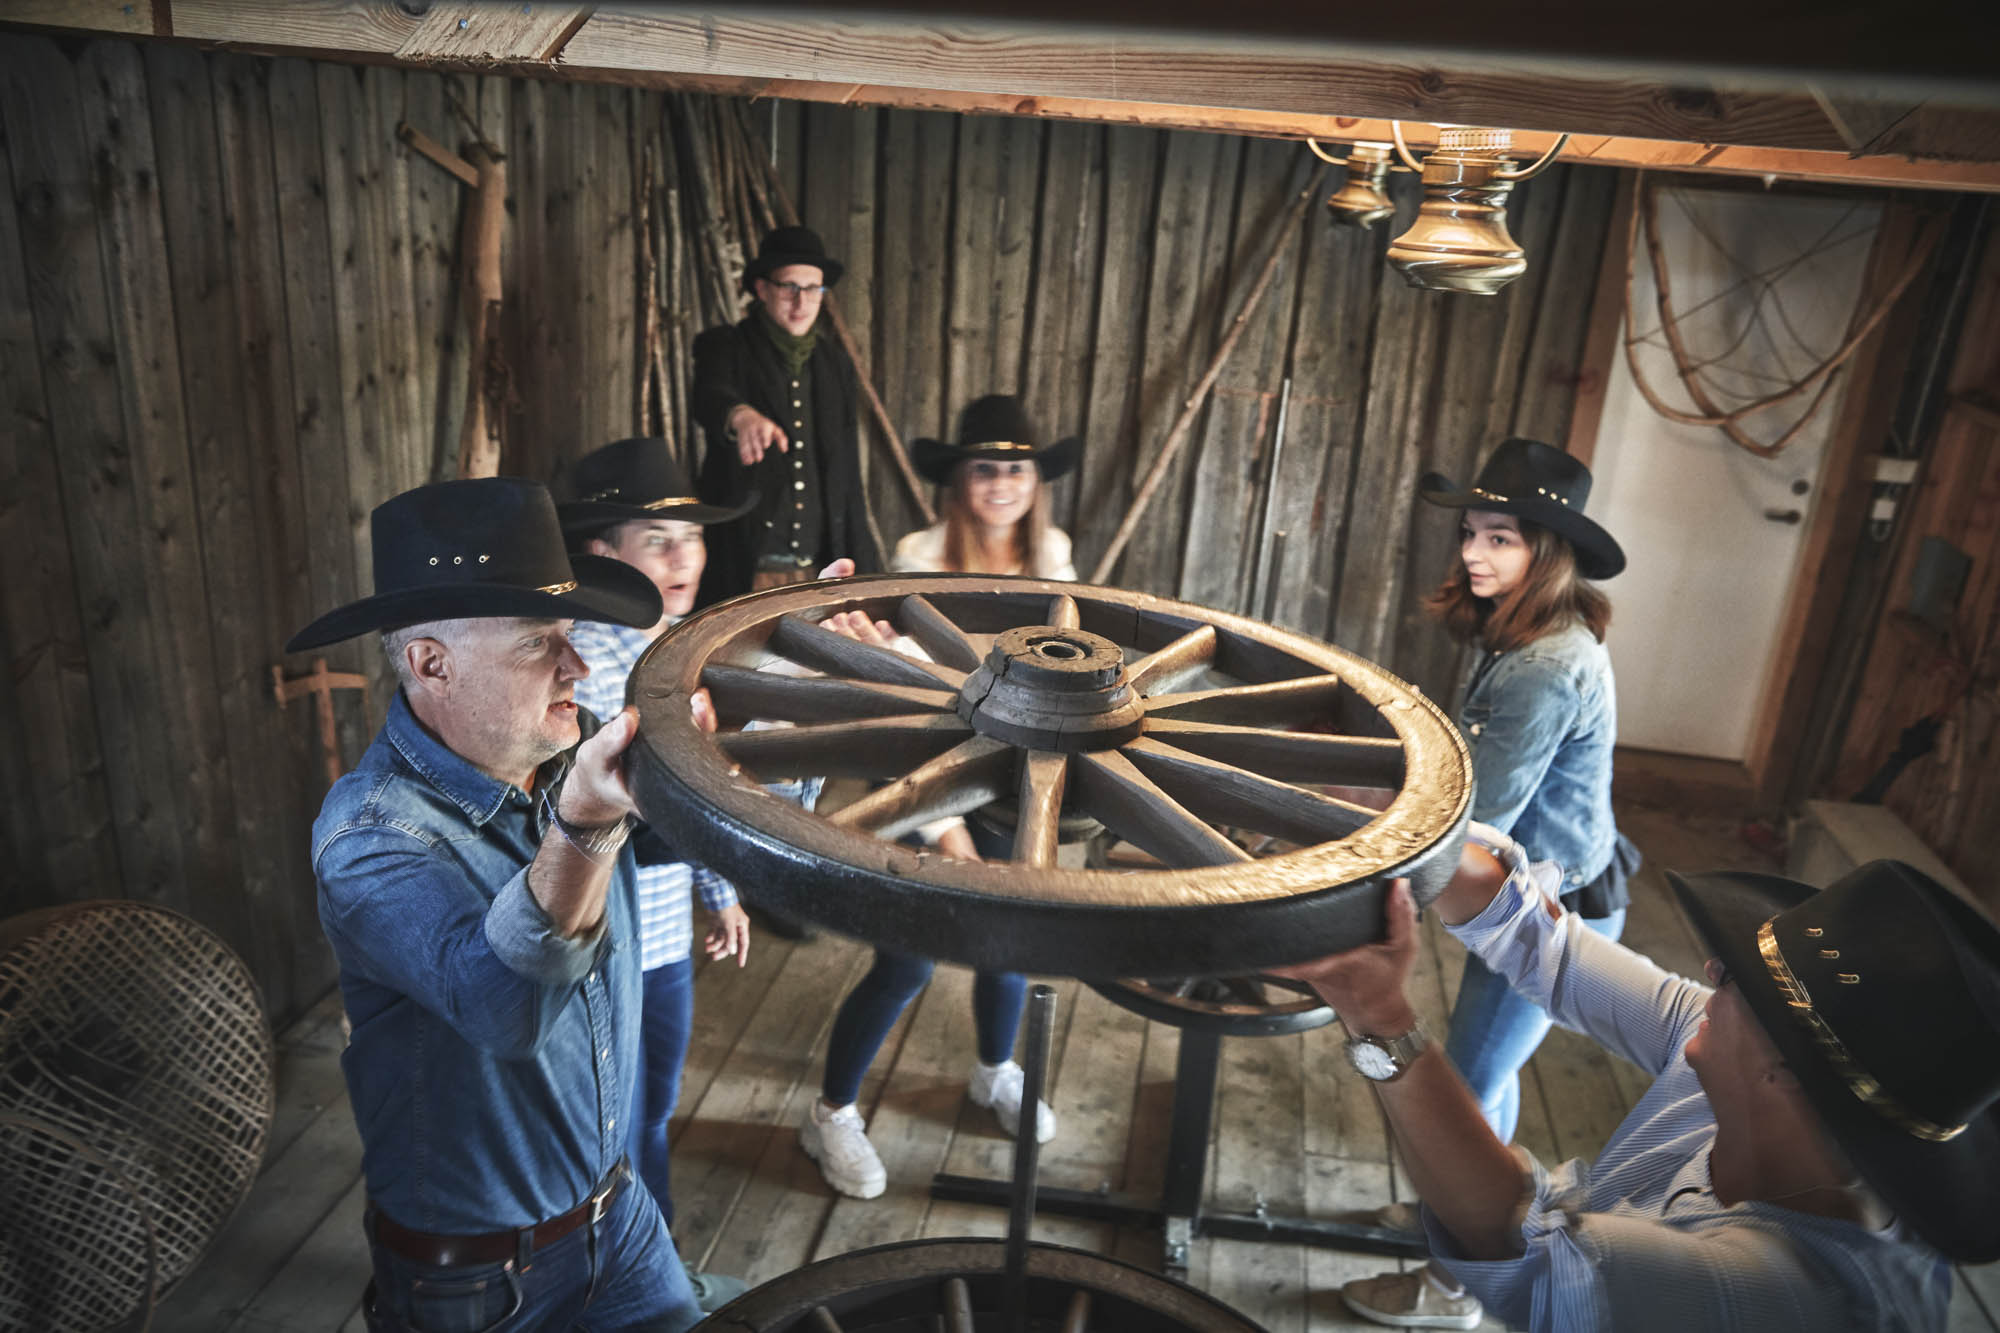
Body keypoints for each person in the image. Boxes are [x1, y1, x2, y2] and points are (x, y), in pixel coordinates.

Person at [1274, 830, 1991, 1332]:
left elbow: (1512, 1234)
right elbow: (1545, 944)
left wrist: (1378, 1014)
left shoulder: (1789, 1295)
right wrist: (1401, 842)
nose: (1710, 971)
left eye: (1746, 982)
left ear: (1786, 1069)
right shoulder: (1762, 1084)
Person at [288, 478, 703, 1332]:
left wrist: (773, 710)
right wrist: (585, 829)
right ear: (431, 663)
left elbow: (694, 834)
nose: (578, 666)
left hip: (623, 1222)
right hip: (480, 1287)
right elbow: (505, 1005)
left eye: (570, 636)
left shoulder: (568, 747)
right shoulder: (369, 835)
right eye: (537, 645)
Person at [1344, 437, 1638, 1328]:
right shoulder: (1527, 629)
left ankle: (1455, 1286)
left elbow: (1484, 811)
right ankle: (1456, 1205)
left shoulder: (1549, 663)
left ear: (1546, 552)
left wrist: (1357, 811)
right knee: (1484, 1075)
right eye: (1472, 532)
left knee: (1468, 1084)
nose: (1474, 552)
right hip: (1522, 890)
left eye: (1500, 537)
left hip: (1551, 905)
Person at [799, 395, 1080, 1200]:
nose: (1001, 485)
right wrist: (945, 825)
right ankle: (831, 1112)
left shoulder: (1052, 555)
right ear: (958, 481)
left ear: (1036, 481)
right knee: (908, 959)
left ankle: (996, 1070)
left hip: (1020, 777)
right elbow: (905, 706)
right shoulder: (921, 555)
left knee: (1012, 940)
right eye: (984, 469)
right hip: (927, 771)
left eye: (1016, 469)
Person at [553, 437, 761, 1312]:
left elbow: (707, 787)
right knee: (614, 1120)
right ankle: (630, 1285)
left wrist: (721, 888)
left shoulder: (684, 648)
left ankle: (652, 1270)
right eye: (657, 539)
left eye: (691, 538)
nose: (684, 559)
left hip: (669, 923)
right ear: (602, 550)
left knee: (654, 1104)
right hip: (603, 934)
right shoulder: (578, 665)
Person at [692, 225, 881, 601]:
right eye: (789, 287)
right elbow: (709, 395)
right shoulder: (726, 346)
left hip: (818, 573)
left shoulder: (835, 363)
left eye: (813, 289)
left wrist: (866, 570)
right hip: (744, 571)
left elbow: (846, 474)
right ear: (762, 289)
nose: (802, 302)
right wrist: (740, 414)